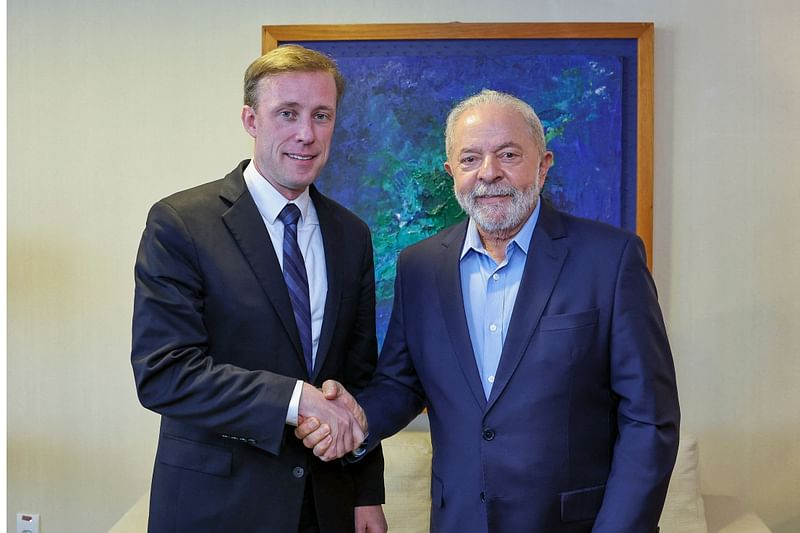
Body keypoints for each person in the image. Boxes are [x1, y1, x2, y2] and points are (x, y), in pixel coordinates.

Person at [297, 89, 680, 532]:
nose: (489, 173)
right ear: (450, 173)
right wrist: (357, 418)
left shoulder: (610, 260)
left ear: (543, 165)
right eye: (470, 159)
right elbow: (401, 383)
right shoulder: (420, 267)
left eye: (509, 154)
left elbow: (649, 419)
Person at [131, 44, 386, 533]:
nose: (306, 134)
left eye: (321, 115)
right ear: (251, 120)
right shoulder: (181, 223)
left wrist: (366, 493)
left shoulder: (351, 234)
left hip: (324, 506)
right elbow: (164, 373)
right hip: (217, 507)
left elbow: (358, 374)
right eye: (287, 113)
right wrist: (297, 400)